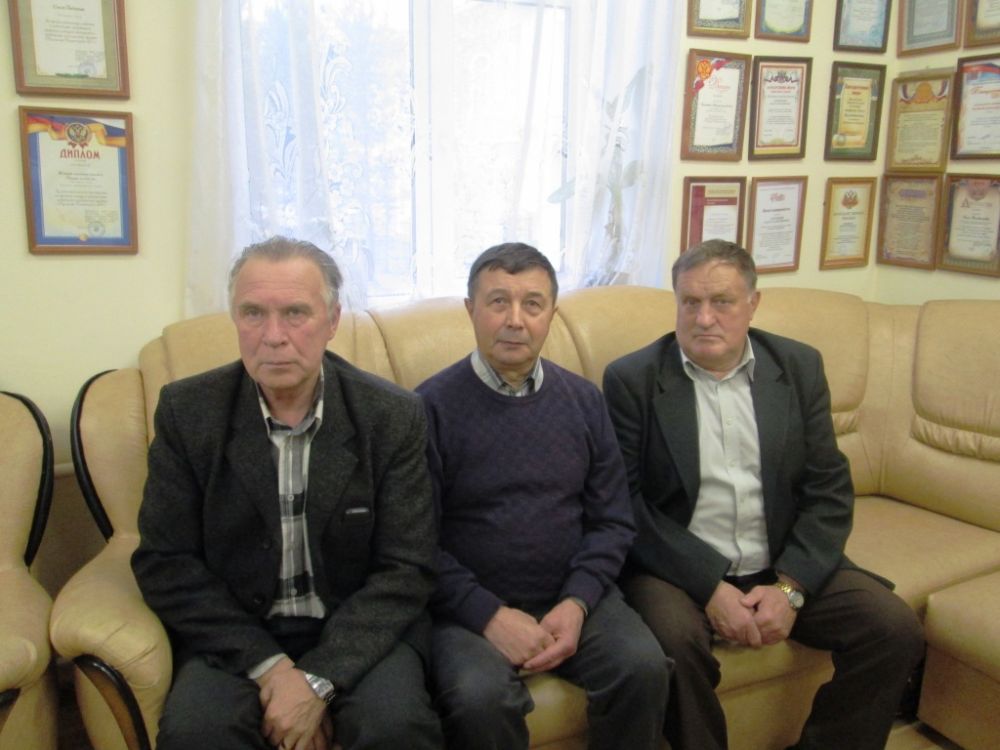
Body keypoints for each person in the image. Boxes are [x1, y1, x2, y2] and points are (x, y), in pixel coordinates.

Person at [602, 239, 924, 750]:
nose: (704, 318)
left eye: (722, 302)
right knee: (673, 643)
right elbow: (627, 505)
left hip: (779, 557)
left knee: (894, 627)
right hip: (677, 566)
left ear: (753, 304)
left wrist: (790, 588)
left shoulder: (797, 367)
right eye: (690, 302)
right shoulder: (633, 379)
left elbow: (828, 488)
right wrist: (710, 586)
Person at [132, 236, 443, 750]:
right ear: (234, 318)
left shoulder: (390, 415)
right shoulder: (189, 413)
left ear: (332, 320)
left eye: (296, 313)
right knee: (197, 733)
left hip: (358, 627)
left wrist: (319, 678)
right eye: (253, 313)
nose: (273, 336)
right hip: (237, 632)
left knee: (395, 727)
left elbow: (407, 567)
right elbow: (165, 562)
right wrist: (272, 668)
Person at [416, 242, 669, 750]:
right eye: (498, 302)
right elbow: (414, 542)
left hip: (572, 596)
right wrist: (489, 615)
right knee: (480, 699)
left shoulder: (584, 401)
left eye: (532, 304)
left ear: (551, 313)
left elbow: (612, 521)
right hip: (466, 611)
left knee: (643, 667)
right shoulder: (427, 408)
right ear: (470, 309)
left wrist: (577, 602)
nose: (515, 320)